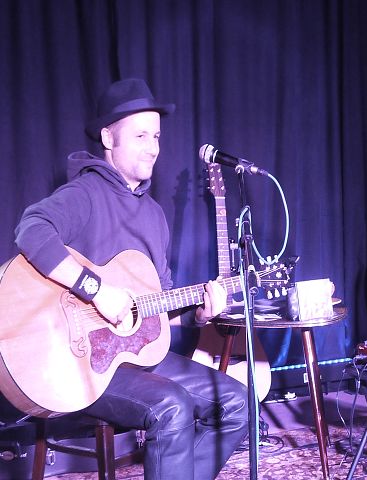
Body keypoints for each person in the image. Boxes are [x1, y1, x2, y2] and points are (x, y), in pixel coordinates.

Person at [12, 78, 248, 478]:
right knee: (172, 406)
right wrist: (96, 290)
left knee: (237, 402)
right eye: (140, 136)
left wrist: (199, 316)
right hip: (76, 363)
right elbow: (31, 230)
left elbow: (159, 309)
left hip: (133, 358)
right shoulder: (85, 193)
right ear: (108, 137)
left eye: (156, 136)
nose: (153, 147)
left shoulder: (154, 215)